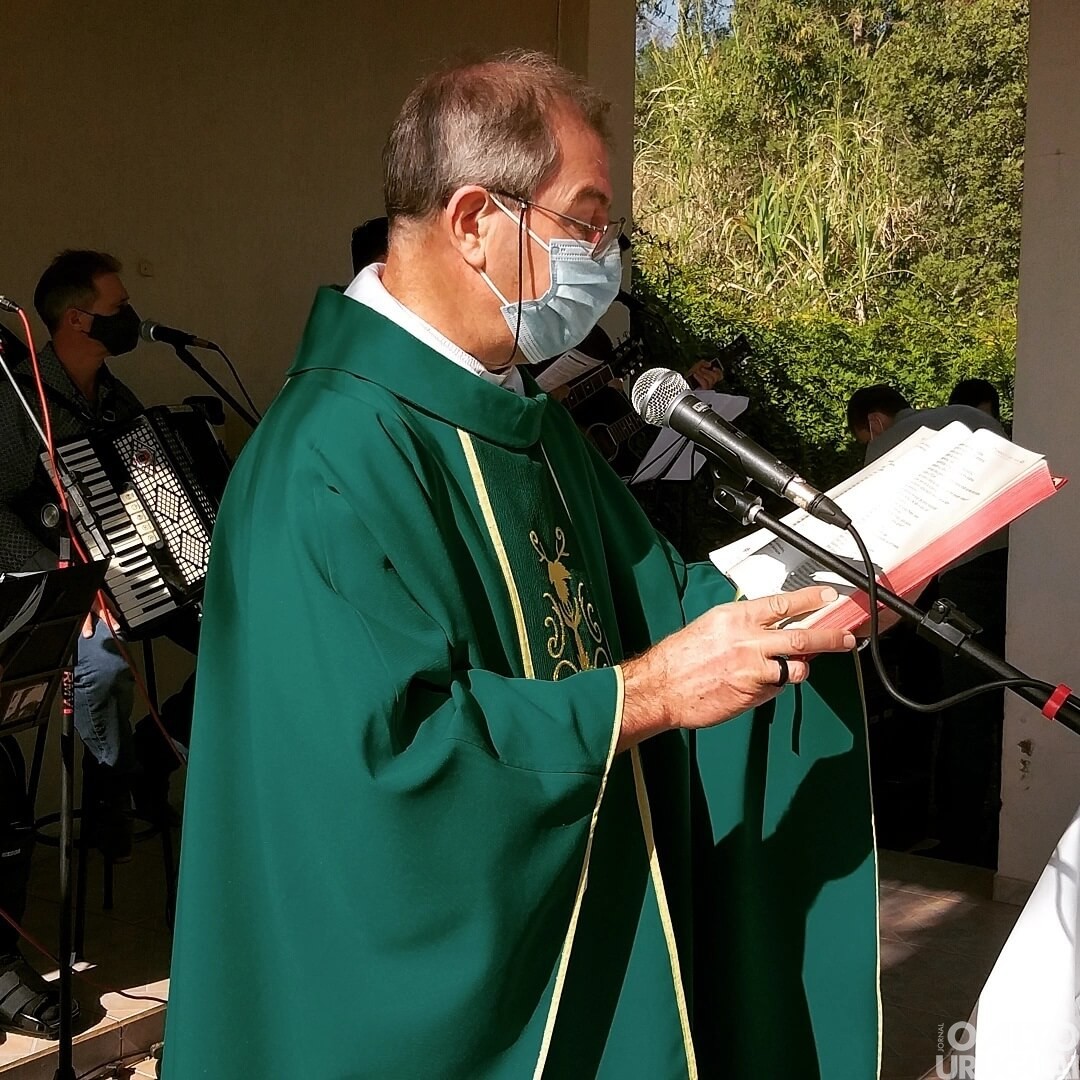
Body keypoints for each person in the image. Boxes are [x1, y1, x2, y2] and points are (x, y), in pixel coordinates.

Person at [166, 53, 879, 1079]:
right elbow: (389, 767)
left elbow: (666, 601)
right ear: (472, 222)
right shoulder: (325, 457)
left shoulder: (524, 420)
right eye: (585, 221)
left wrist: (835, 604)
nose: (606, 255)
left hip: (585, 912)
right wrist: (644, 698)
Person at [846, 384, 1009, 867]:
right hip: (1010, 568)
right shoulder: (962, 415)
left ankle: (956, 840)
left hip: (963, 576)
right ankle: (979, 829)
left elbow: (882, 534)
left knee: (961, 709)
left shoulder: (890, 442)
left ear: (875, 423)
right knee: (988, 705)